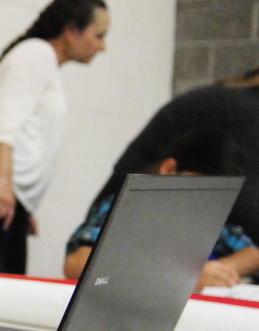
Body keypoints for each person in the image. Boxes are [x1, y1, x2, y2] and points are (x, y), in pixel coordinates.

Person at [0, 0, 110, 274]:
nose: (102, 47)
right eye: (99, 35)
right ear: (71, 31)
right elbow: (3, 122)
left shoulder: (41, 59)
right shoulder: (35, 53)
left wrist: (23, 202)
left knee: (5, 286)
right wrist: (3, 183)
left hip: (3, 195)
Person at [64, 128, 259, 289]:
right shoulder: (126, 209)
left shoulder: (197, 219)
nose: (204, 203)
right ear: (169, 170)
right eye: (200, 190)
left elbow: (252, 254)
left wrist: (218, 270)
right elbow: (76, 263)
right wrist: (184, 277)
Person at [92, 64, 259, 245]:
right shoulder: (243, 109)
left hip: (161, 203)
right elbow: (248, 208)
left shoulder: (237, 101)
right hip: (137, 210)